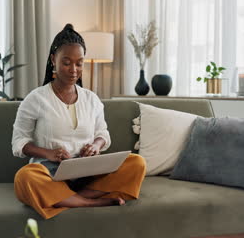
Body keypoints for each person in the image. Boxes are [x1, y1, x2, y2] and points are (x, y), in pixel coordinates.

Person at [12, 24, 146, 219]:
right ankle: (90, 202)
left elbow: (103, 135)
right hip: (51, 173)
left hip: (88, 171)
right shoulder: (36, 98)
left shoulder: (92, 99)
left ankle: (68, 199)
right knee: (24, 178)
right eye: (66, 62)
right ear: (53, 60)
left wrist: (95, 145)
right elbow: (19, 142)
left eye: (79, 63)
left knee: (136, 163)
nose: (74, 70)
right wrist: (48, 153)